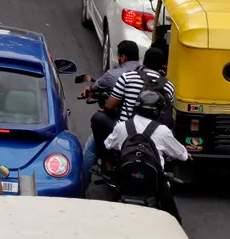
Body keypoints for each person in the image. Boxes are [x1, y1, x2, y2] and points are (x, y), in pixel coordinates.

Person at [102, 89, 190, 217]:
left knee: (110, 212)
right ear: (157, 111)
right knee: (173, 217)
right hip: (153, 182)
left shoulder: (122, 126)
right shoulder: (162, 131)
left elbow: (108, 145)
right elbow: (182, 155)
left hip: (125, 178)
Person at [81, 41, 141, 171]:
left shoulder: (115, 75)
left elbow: (107, 102)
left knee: (90, 148)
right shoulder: (145, 75)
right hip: (144, 127)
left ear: (123, 57)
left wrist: (90, 89)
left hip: (122, 125)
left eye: (119, 56)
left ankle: (84, 182)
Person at [111, 46, 175, 120]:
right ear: (163, 66)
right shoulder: (169, 86)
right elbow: (168, 110)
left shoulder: (128, 77)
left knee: (99, 117)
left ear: (144, 61)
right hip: (155, 130)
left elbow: (110, 105)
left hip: (127, 127)